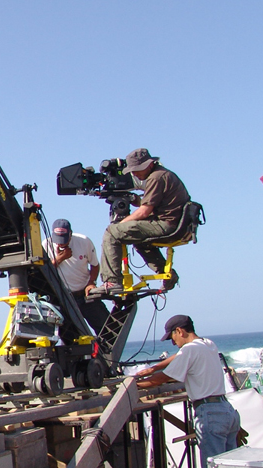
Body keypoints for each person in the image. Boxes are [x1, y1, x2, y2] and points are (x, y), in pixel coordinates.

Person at [136, 315, 240, 468]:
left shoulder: (190, 350)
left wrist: (135, 384)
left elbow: (163, 378)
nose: (173, 342)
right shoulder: (207, 343)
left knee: (212, 465)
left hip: (210, 414)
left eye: (172, 337)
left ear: (179, 331)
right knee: (230, 465)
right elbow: (179, 356)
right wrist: (155, 367)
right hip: (227, 410)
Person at [94, 148, 190, 294]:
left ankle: (112, 282)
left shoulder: (155, 178)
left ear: (150, 165)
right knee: (138, 239)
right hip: (174, 224)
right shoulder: (164, 174)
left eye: (137, 169)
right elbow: (150, 204)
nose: (134, 173)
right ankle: (167, 275)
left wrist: (121, 224)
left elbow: (144, 211)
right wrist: (134, 199)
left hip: (167, 225)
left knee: (112, 232)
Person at [42, 219, 109, 335]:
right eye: (58, 240)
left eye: (64, 240)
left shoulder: (84, 241)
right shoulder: (46, 245)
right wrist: (59, 259)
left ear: (70, 234)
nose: (61, 244)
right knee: (71, 337)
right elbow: (44, 272)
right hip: (64, 298)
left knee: (106, 330)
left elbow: (95, 265)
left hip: (85, 294)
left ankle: (103, 351)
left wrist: (91, 282)